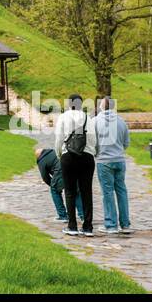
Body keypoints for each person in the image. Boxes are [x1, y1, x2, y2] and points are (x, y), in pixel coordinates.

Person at [54, 94, 95, 236]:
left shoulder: (64, 117)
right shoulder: (88, 118)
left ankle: (72, 225)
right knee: (86, 192)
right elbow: (93, 138)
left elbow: (59, 138)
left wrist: (60, 154)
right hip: (87, 157)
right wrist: (93, 152)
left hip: (69, 156)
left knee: (70, 191)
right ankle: (88, 226)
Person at [92, 96, 132, 234]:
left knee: (107, 193)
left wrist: (97, 153)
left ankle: (111, 224)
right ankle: (125, 224)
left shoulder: (95, 121)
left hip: (104, 161)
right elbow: (126, 143)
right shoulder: (121, 122)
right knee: (121, 191)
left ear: (101, 107)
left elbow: (92, 142)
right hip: (119, 160)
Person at [35, 146, 84, 222]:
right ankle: (83, 216)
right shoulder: (53, 151)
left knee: (54, 190)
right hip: (72, 167)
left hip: (60, 171)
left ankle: (63, 216)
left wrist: (53, 185)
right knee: (75, 191)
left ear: (38, 156)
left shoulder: (41, 161)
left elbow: (45, 177)